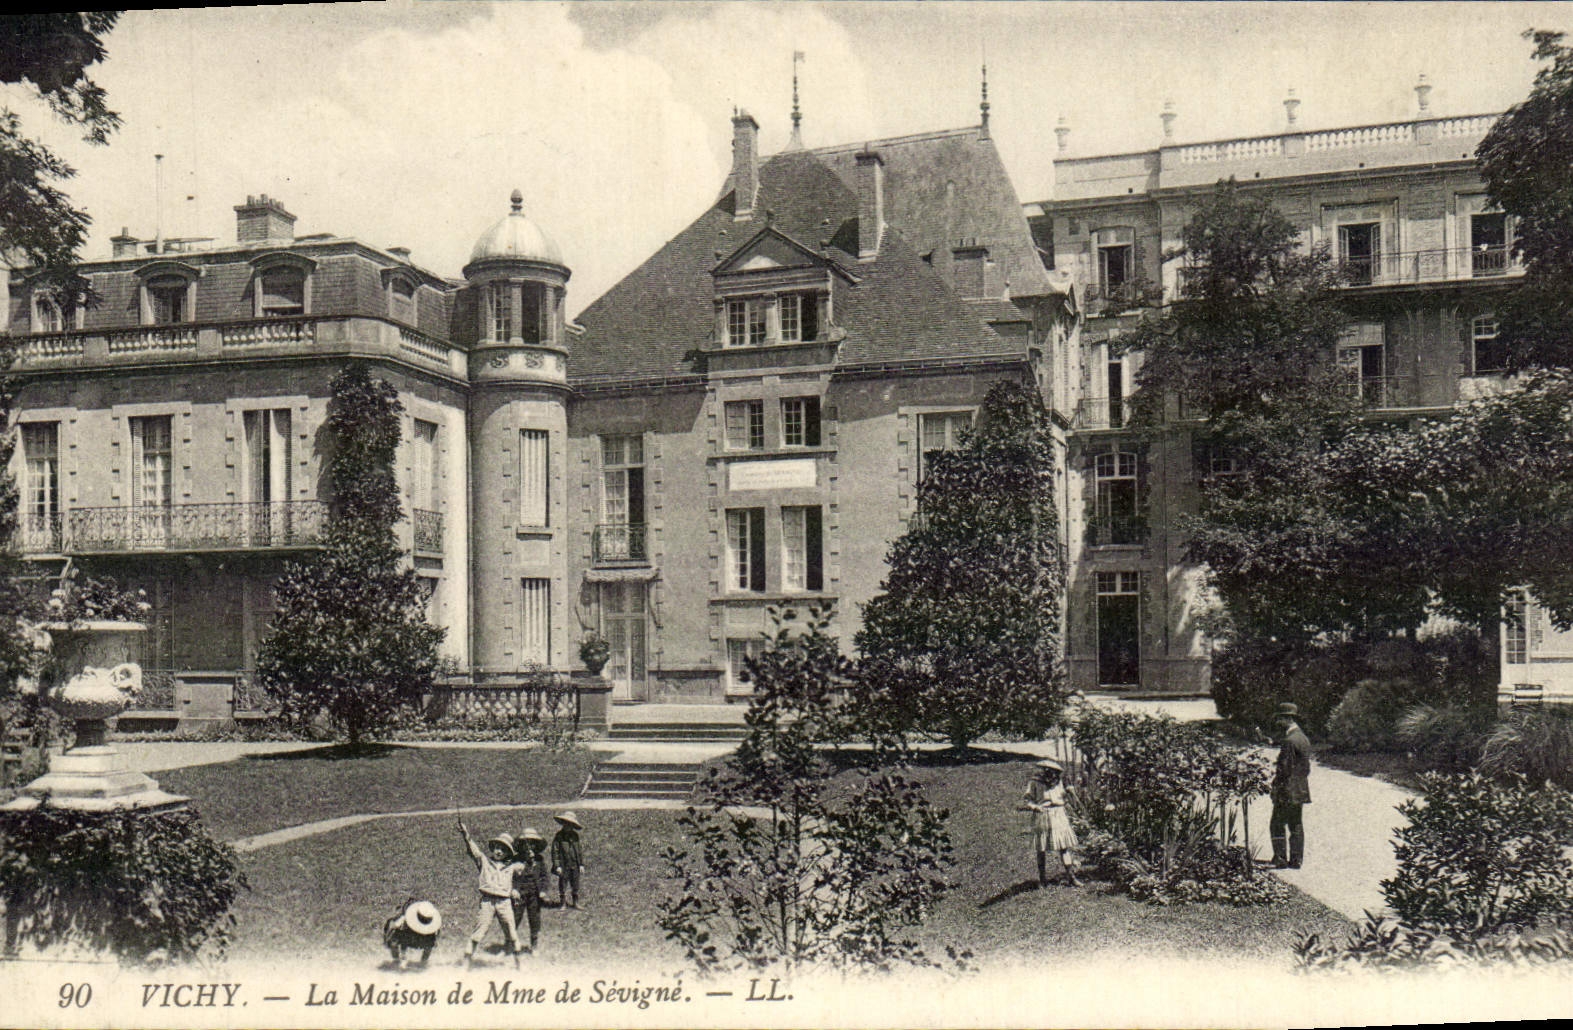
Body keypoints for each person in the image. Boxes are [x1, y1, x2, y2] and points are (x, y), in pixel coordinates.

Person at [458, 819, 526, 968]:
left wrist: (514, 889)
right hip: (488, 901)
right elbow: (474, 850)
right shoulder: (484, 862)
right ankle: (466, 961)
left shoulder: (512, 867)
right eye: (497, 847)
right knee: (479, 932)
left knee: (512, 933)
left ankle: (519, 964)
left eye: (503, 849)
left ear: (508, 853)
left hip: (504, 903)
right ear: (493, 848)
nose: (499, 851)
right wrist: (465, 834)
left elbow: (523, 873)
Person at [1020, 758, 1080, 887]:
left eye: (1054, 772)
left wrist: (1070, 791)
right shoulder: (1035, 783)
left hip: (1059, 815)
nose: (1051, 775)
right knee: (1041, 848)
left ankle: (1071, 877)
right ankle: (1042, 879)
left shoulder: (1059, 783)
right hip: (1043, 815)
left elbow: (1067, 798)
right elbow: (1027, 800)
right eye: (1048, 771)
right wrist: (1035, 807)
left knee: (1064, 847)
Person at [1270, 702, 1313, 869]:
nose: (1278, 722)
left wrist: (1275, 787)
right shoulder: (1302, 738)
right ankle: (1296, 860)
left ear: (1288, 719)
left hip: (1286, 789)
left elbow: (1284, 769)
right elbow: (1305, 767)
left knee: (1277, 823)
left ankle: (1280, 858)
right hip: (1300, 789)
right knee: (1295, 823)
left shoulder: (1289, 741)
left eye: (1280, 719)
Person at [513, 827, 549, 952]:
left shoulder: (539, 860)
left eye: (532, 844)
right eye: (526, 845)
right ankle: (510, 944)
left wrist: (543, 890)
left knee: (534, 919)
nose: (529, 848)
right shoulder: (516, 860)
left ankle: (534, 946)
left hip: (535, 894)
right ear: (521, 846)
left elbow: (544, 876)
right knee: (515, 918)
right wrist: (514, 889)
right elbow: (511, 877)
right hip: (520, 893)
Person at [382, 898, 441, 969]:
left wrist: (386, 939)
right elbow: (437, 934)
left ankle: (397, 960)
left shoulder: (407, 918)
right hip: (421, 941)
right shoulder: (432, 923)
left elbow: (394, 927)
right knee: (430, 943)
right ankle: (423, 962)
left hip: (410, 940)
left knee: (395, 939)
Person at [550, 811, 585, 909]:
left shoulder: (575, 836)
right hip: (564, 864)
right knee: (563, 884)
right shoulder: (559, 836)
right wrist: (557, 866)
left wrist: (581, 864)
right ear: (563, 823)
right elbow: (555, 851)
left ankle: (575, 902)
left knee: (575, 884)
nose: (567, 826)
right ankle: (563, 903)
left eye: (570, 824)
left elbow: (579, 851)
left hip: (574, 864)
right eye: (566, 823)